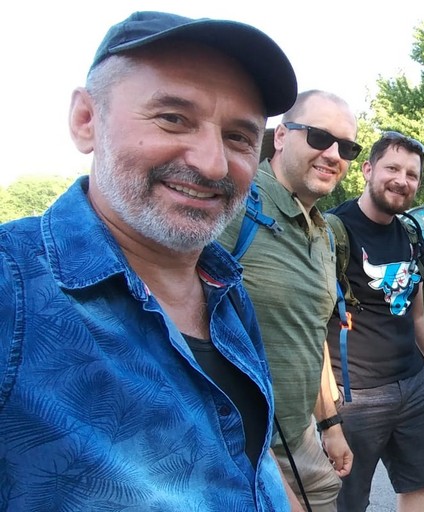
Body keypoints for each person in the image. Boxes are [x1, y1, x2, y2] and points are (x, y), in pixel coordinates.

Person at [0, 11, 301, 509]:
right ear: (86, 120)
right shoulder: (13, 286)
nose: (212, 164)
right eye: (173, 119)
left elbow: (253, 457)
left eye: (238, 137)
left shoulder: (225, 287)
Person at [216, 90, 358, 510]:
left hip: (301, 441)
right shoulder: (232, 205)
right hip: (235, 451)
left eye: (347, 147)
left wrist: (329, 423)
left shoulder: (326, 232)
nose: (333, 155)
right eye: (319, 137)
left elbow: (308, 334)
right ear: (280, 136)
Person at [326, 131, 424, 511]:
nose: (402, 180)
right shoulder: (333, 231)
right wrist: (326, 414)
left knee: (421, 486)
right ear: (368, 170)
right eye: (392, 169)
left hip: (415, 385)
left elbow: (420, 312)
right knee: (346, 502)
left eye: (412, 174)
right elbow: (312, 325)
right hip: (354, 395)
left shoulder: (411, 232)